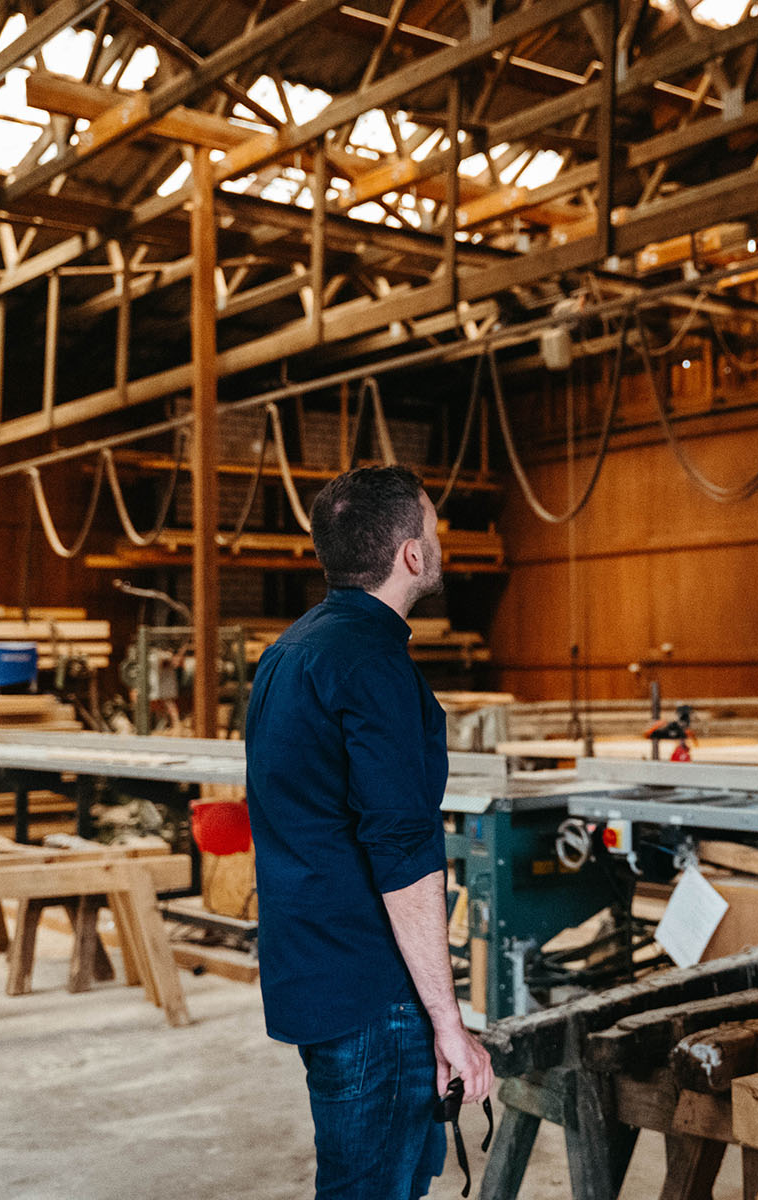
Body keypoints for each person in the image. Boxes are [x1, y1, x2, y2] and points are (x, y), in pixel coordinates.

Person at [245, 465, 493, 1199]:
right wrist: (448, 1022)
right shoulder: (373, 665)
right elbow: (404, 856)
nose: (438, 541)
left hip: (312, 973)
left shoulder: (291, 652)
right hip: (371, 992)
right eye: (433, 528)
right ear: (411, 555)